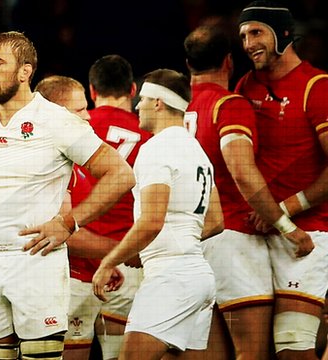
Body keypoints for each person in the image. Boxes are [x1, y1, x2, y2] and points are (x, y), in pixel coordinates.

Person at [0, 31, 134, 360]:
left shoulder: (55, 121)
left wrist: (68, 223)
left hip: (37, 265)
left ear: (25, 71)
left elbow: (121, 174)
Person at [184, 24, 314, 359]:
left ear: (188, 64)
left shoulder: (179, 110)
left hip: (195, 241)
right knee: (251, 353)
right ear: (229, 61)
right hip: (234, 240)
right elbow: (242, 171)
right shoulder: (230, 105)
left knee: (210, 354)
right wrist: (287, 227)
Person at [92, 69, 224, 359]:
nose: (137, 106)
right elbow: (215, 221)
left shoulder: (156, 148)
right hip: (198, 276)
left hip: (171, 279)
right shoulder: (197, 149)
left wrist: (109, 261)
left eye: (143, 99)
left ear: (158, 103)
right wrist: (155, 247)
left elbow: (152, 221)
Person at [35, 63, 150, 360]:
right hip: (66, 278)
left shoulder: (74, 162)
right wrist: (120, 254)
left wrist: (109, 261)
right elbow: (63, 235)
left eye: (87, 107)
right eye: (79, 110)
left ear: (94, 91)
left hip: (95, 273)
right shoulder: (45, 166)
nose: (88, 117)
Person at [235, 2, 328, 359]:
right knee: (255, 348)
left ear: (283, 35)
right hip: (256, 234)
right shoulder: (246, 84)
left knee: (292, 344)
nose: (247, 43)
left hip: (307, 234)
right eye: (243, 35)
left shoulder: (316, 86)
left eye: (256, 32)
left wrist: (286, 209)